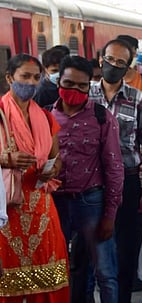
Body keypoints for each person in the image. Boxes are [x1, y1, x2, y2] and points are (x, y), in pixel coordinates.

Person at [51, 55, 124, 303]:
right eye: (69, 83)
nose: (75, 90)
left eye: (82, 86)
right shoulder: (46, 118)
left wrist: (110, 215)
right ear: (58, 81)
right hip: (55, 203)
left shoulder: (102, 118)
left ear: (89, 85)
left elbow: (114, 167)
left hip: (91, 202)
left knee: (106, 272)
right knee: (60, 269)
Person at [89, 38, 142, 303]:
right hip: (90, 184)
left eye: (120, 62)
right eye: (110, 59)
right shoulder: (86, 95)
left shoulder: (138, 100)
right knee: (92, 248)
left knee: (125, 249)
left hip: (127, 183)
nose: (113, 66)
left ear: (128, 68)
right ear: (100, 60)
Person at [0, 54, 69, 301]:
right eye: (24, 76)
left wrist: (53, 168)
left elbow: (56, 157)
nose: (31, 82)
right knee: (7, 284)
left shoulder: (45, 116)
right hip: (7, 209)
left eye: (36, 77)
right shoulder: (0, 113)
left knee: (49, 279)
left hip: (41, 205)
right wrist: (7, 160)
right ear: (9, 78)